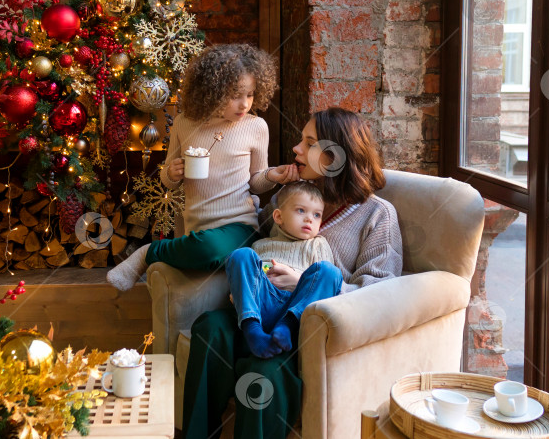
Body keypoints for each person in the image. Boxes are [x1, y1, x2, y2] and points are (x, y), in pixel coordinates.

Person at [182, 107, 403, 439]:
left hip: (307, 329)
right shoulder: (293, 195)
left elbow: (380, 294)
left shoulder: (377, 214)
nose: (297, 150)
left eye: (309, 142)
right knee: (209, 327)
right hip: (258, 312)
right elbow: (261, 245)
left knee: (263, 372)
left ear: (334, 156)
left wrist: (304, 283)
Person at [107, 44, 295, 291]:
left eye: (249, 94)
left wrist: (272, 175)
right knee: (212, 251)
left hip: (239, 224)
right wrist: (171, 174)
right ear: (212, 91)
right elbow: (166, 177)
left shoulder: (256, 126)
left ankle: (149, 252)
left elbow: (256, 181)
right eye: (235, 95)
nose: (244, 104)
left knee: (213, 251)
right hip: (197, 226)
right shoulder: (184, 124)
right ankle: (186, 251)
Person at [228, 180, 334, 359]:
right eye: (301, 210)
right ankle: (252, 329)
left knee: (330, 272)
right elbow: (253, 275)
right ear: (278, 217)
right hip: (263, 303)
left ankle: (286, 326)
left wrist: (298, 278)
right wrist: (241, 289)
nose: (309, 218)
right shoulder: (261, 245)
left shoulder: (318, 244)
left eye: (317, 215)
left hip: (298, 306)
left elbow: (324, 284)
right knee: (241, 255)